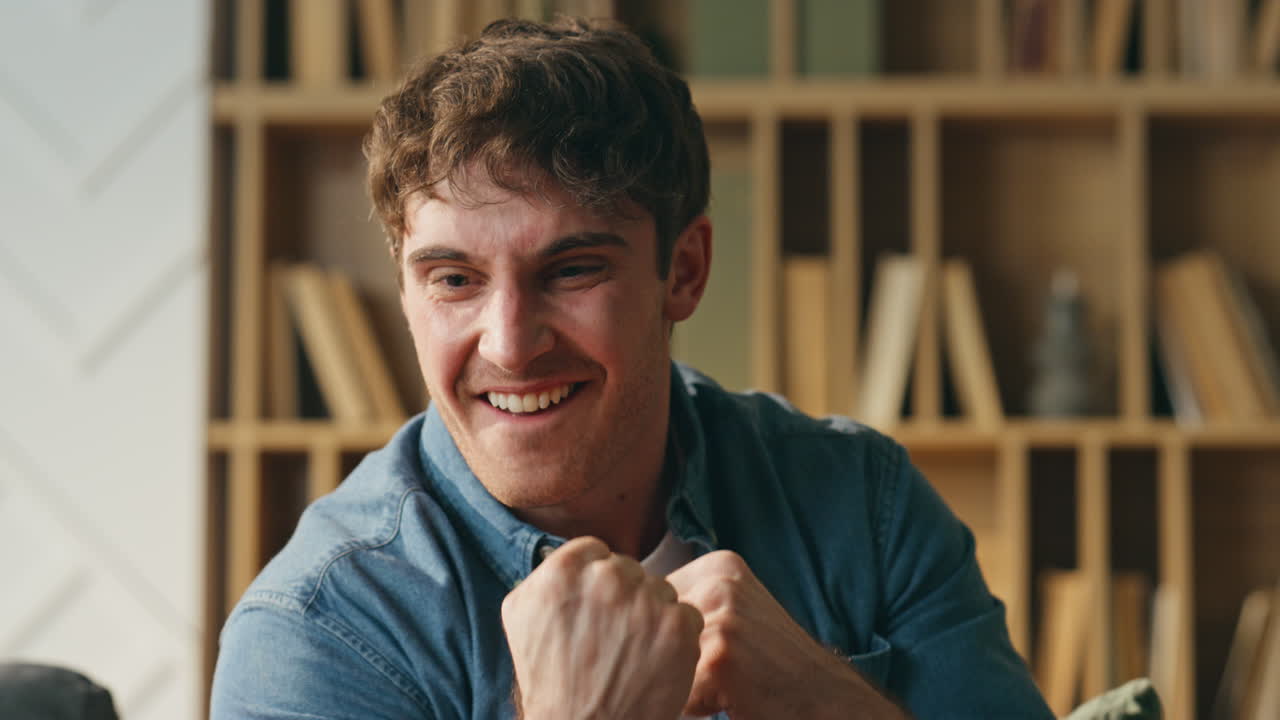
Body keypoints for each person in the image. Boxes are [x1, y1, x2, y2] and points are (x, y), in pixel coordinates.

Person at [210, 16, 1053, 719]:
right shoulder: (317, 632)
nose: (509, 344)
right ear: (405, 292)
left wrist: (817, 698)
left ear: (683, 271)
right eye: (454, 280)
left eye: (572, 270)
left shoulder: (864, 505)